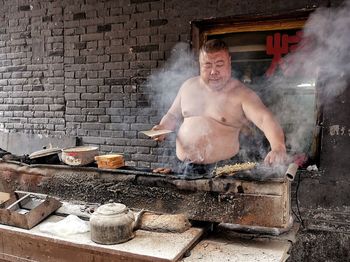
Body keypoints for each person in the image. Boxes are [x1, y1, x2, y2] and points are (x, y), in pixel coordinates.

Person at [152, 39, 287, 168]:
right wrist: (163, 127)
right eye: (207, 65)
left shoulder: (242, 94)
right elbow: (172, 115)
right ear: (200, 64)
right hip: (182, 167)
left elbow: (265, 119)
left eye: (219, 64)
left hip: (222, 170)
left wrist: (278, 147)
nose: (213, 71)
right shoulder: (188, 86)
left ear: (229, 62)